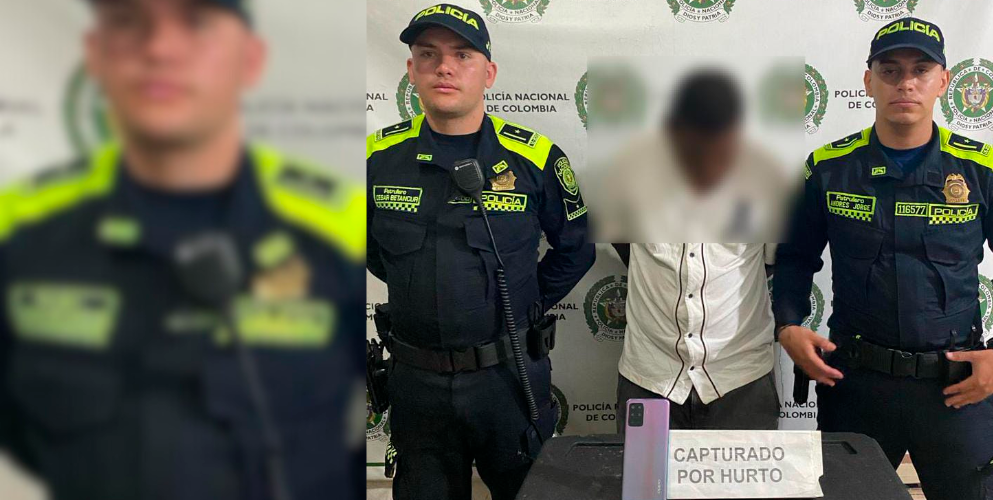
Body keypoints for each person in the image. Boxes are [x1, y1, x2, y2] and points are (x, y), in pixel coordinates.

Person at [0, 1, 366, 499]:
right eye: (128, 21)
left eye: (196, 22)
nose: (159, 48)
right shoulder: (19, 225)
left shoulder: (345, 226)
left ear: (251, 59)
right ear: (95, 54)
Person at [773, 16, 993, 500]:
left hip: (956, 387)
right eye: (890, 71)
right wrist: (788, 324)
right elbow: (794, 258)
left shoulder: (985, 170)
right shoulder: (829, 169)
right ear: (868, 81)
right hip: (856, 385)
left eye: (920, 70)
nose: (905, 83)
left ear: (943, 81)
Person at [365, 4, 595, 499]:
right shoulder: (375, 158)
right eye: (428, 55)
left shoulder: (534, 158)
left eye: (462, 55)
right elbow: (369, 251)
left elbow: (576, 250)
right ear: (411, 70)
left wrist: (522, 304)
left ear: (488, 73)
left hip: (508, 378)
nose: (444, 68)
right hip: (417, 386)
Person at [607, 70, 789, 433]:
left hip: (740, 379)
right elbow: (626, 248)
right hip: (650, 377)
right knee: (643, 474)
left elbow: (771, 264)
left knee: (744, 475)